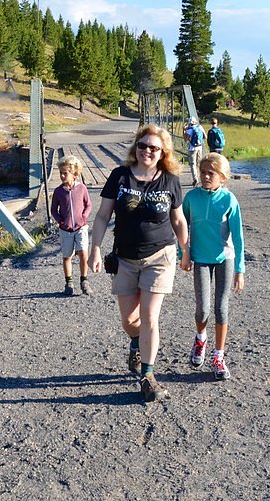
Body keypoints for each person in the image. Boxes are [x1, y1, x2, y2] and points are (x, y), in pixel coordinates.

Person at [88, 125, 190, 402]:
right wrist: (95, 249)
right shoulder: (119, 177)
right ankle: (136, 342)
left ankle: (148, 375)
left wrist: (186, 249)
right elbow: (101, 217)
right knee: (129, 320)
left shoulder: (169, 180)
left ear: (162, 153)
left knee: (149, 317)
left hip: (161, 256)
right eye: (143, 145)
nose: (147, 151)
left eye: (153, 148)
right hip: (124, 257)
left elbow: (178, 219)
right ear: (135, 147)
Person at [181, 153, 246, 381]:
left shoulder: (229, 200)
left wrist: (240, 269)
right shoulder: (191, 198)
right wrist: (184, 254)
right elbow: (182, 227)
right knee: (203, 309)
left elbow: (238, 237)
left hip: (225, 259)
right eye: (203, 172)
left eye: (211, 173)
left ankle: (219, 356)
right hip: (200, 258)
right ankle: (200, 339)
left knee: (221, 307)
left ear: (222, 177)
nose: (206, 176)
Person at [50, 155, 92, 296]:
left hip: (81, 227)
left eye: (65, 173)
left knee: (83, 252)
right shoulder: (58, 191)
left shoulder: (82, 188)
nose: (62, 176)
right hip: (65, 229)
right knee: (67, 255)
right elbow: (53, 210)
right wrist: (60, 221)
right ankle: (69, 282)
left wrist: (84, 217)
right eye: (60, 173)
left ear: (74, 174)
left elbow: (88, 204)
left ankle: (84, 280)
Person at [184, 117, 206, 186]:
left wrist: (184, 131)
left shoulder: (190, 129)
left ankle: (195, 179)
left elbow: (185, 139)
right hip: (200, 147)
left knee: (193, 164)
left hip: (192, 149)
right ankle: (201, 178)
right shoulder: (200, 127)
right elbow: (205, 137)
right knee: (199, 164)